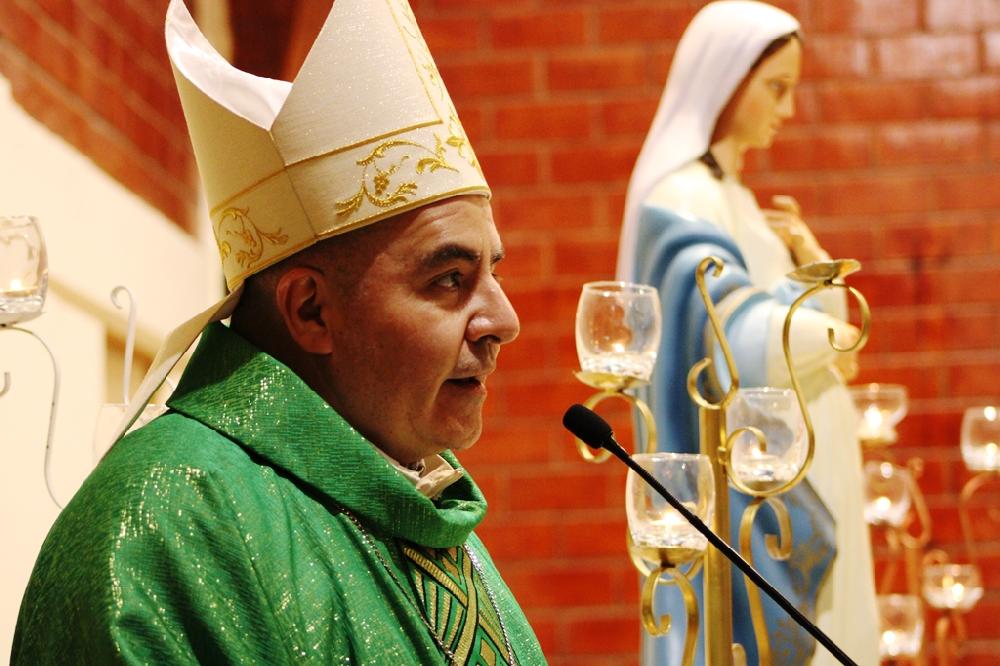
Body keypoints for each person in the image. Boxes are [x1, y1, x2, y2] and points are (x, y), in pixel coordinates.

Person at [11, 1, 545, 663]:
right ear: (311, 310)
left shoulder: (423, 506)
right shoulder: (170, 519)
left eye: (494, 271)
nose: (504, 322)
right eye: (449, 279)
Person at [616, 2, 878, 665]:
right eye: (775, 87)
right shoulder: (686, 197)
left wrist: (811, 270)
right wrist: (829, 328)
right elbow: (728, 337)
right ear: (726, 78)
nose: (786, 109)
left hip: (789, 472)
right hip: (751, 485)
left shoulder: (731, 194)